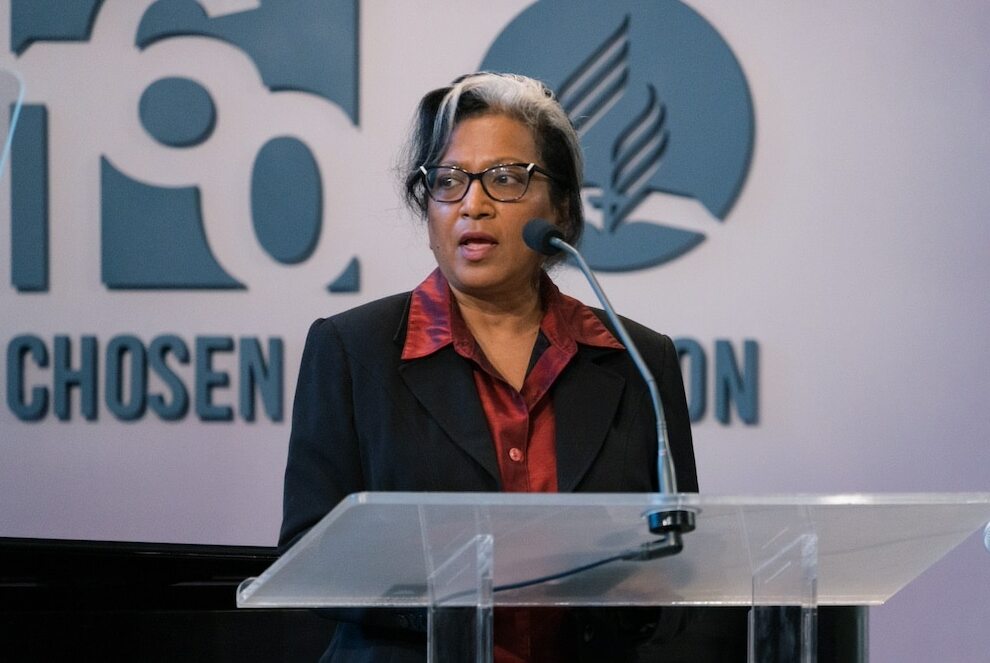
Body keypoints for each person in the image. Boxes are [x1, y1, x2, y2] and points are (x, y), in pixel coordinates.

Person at [278, 72, 698, 663]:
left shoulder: (638, 362)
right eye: (448, 181)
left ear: (561, 206)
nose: (472, 205)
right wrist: (453, 597)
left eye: (504, 178)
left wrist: (636, 594)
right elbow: (309, 553)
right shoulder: (353, 351)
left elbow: (680, 559)